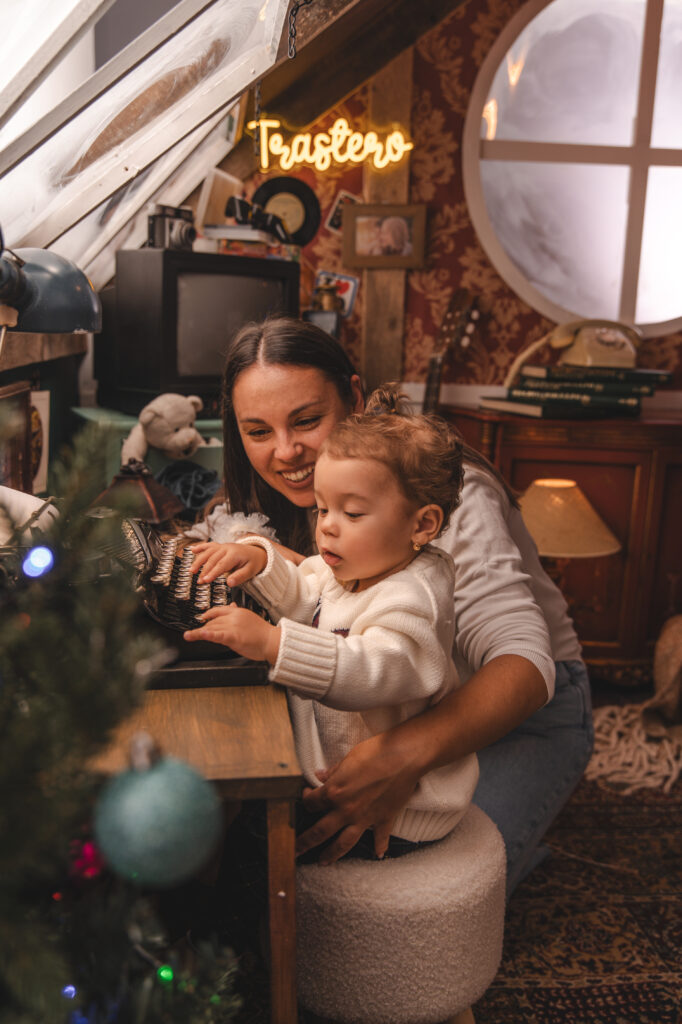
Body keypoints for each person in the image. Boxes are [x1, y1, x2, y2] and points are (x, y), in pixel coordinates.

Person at [185, 315, 593, 896]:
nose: (285, 452)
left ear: (353, 397)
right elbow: (315, 585)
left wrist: (406, 754)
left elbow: (526, 661)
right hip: (394, 702)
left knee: (435, 892)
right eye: (257, 431)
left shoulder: (444, 500)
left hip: (521, 715)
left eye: (307, 420)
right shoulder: (313, 487)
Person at [184, 387, 479, 857]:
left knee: (242, 831)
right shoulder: (360, 563)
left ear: (422, 525)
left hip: (391, 803)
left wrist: (274, 645)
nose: (327, 526)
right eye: (322, 508)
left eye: (352, 512)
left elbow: (372, 671)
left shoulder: (412, 598)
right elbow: (306, 592)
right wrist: (258, 559)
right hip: (334, 770)